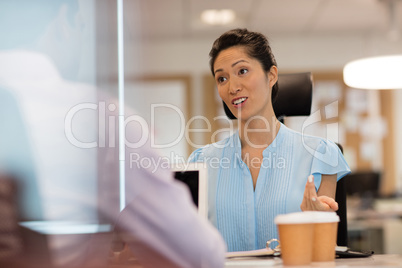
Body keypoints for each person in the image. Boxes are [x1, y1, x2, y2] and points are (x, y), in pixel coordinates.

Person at [188, 28, 351, 252]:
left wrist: (320, 223)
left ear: (271, 75)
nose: (232, 87)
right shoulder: (202, 161)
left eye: (242, 71)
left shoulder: (320, 154)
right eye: (222, 78)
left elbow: (325, 252)